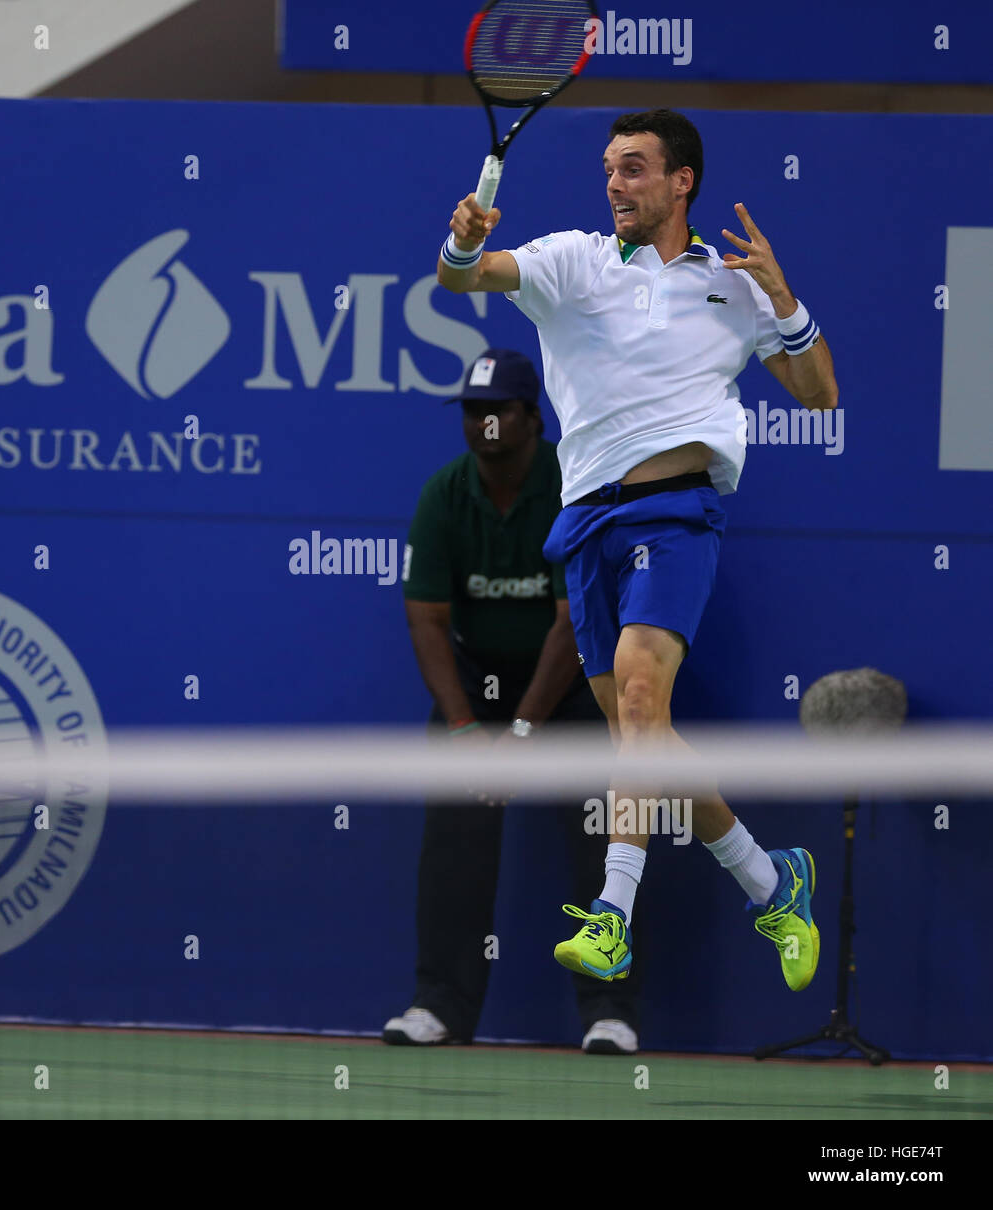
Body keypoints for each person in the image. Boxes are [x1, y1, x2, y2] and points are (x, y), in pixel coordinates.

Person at [436, 109, 839, 994]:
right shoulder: (571, 261)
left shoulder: (732, 286)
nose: (615, 185)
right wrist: (463, 241)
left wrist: (786, 300)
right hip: (587, 525)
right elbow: (461, 278)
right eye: (609, 170)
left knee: (643, 699)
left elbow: (819, 396)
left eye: (634, 169)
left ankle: (612, 917)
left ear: (679, 180)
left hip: (676, 516)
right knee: (642, 739)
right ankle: (774, 883)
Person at [383, 347, 642, 1055]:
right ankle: (437, 1006)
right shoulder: (444, 494)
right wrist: (467, 731)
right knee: (453, 847)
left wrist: (525, 734)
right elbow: (427, 620)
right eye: (473, 411)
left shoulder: (574, 486)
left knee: (605, 839)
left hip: (576, 685)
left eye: (498, 410)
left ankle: (607, 1012)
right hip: (476, 689)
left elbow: (571, 620)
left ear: (532, 417)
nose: (484, 423)